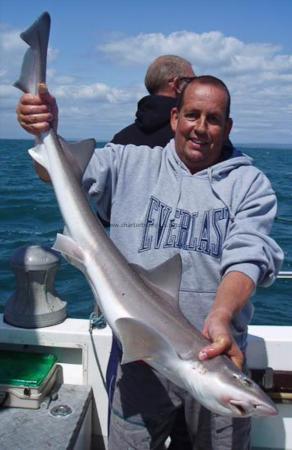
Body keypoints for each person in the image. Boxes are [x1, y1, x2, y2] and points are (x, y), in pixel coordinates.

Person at [16, 75, 283, 450]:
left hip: (215, 353)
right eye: (192, 115)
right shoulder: (128, 162)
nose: (201, 128)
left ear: (228, 126)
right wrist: (45, 130)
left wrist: (220, 315)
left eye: (213, 119)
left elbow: (249, 254)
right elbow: (54, 172)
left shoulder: (250, 184)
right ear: (174, 118)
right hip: (139, 361)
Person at [111, 55, 195, 147]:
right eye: (192, 81)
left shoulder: (119, 140)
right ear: (177, 84)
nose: (195, 86)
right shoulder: (194, 137)